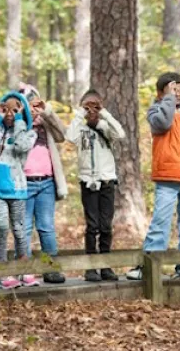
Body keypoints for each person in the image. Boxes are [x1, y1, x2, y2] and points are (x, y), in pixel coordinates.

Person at [126, 72, 180, 281]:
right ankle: (150, 265)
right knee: (160, 223)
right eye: (172, 89)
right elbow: (163, 124)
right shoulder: (156, 110)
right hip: (167, 176)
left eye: (179, 89)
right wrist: (168, 98)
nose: (177, 93)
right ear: (161, 92)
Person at [0, 91, 39, 290]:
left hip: (17, 188)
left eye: (15, 109)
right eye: (6, 109)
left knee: (20, 230)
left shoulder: (29, 132)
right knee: (2, 227)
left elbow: (21, 146)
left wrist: (20, 119)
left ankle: (24, 267)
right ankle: (2, 271)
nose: (10, 113)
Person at [66, 90, 126, 282]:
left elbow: (121, 134)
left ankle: (105, 265)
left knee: (106, 226)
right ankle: (90, 267)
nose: (91, 110)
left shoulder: (106, 127)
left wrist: (104, 114)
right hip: (88, 182)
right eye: (87, 106)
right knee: (92, 226)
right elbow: (69, 136)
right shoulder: (80, 130)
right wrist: (80, 114)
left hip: (107, 181)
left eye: (95, 106)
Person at [17, 83, 70, 285]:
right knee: (24, 228)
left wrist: (47, 112)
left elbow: (62, 135)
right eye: (27, 103)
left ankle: (51, 269)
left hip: (46, 182)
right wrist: (24, 116)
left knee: (46, 226)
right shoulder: (18, 124)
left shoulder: (45, 122)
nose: (32, 107)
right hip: (24, 183)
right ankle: (24, 269)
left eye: (34, 103)